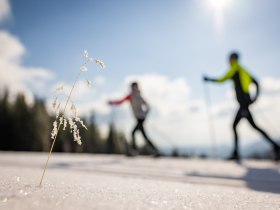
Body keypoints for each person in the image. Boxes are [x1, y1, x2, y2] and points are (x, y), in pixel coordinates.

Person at [204, 52, 280, 161]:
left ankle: (237, 153)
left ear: (233, 59)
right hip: (245, 103)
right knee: (251, 127)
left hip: (244, 104)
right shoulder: (243, 69)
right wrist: (254, 98)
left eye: (229, 58)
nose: (228, 61)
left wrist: (208, 79)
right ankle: (276, 147)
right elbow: (256, 82)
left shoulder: (235, 68)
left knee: (237, 126)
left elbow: (222, 79)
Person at [108, 82, 159, 156]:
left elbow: (148, 106)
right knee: (143, 135)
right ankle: (155, 150)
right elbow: (120, 102)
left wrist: (145, 114)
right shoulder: (130, 96)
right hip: (138, 118)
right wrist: (112, 103)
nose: (134, 88)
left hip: (141, 118)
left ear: (137, 87)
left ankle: (135, 151)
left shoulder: (140, 96)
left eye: (135, 87)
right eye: (133, 87)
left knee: (133, 133)